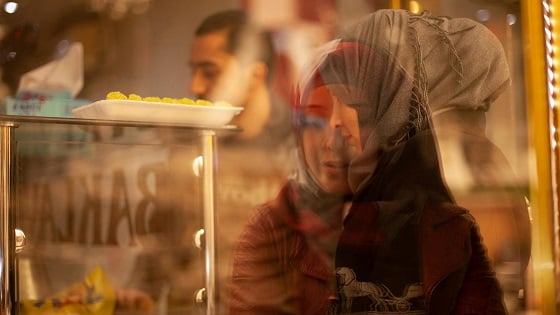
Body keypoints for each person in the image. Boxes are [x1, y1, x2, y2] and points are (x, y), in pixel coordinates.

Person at [228, 9, 507, 314]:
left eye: (358, 114)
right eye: (314, 118)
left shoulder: (449, 229)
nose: (331, 139)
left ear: (388, 125)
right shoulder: (275, 228)